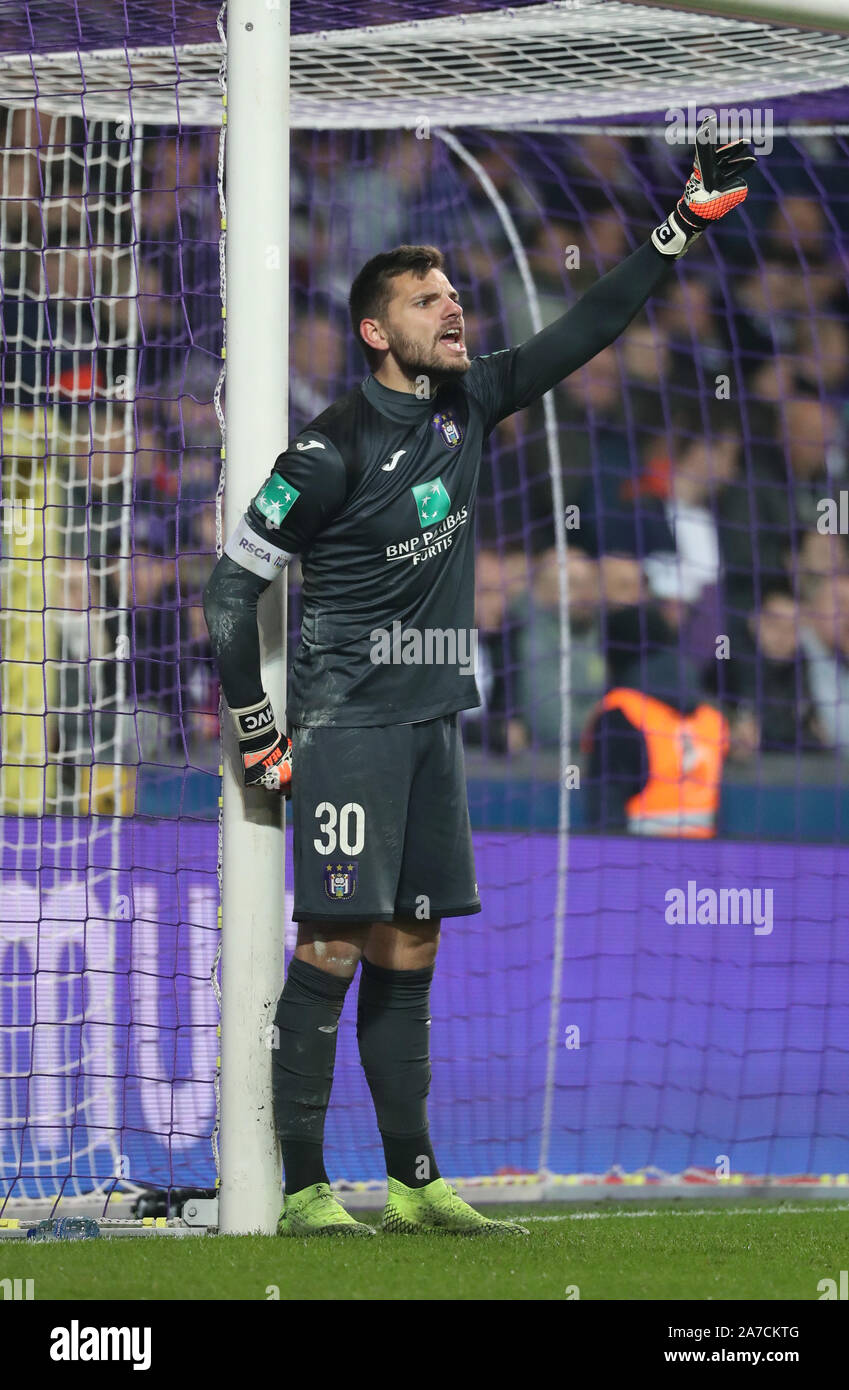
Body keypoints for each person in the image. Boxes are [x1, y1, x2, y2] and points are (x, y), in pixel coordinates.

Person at [203, 119, 758, 1237]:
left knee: (414, 946)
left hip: (432, 726)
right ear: (375, 330)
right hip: (350, 721)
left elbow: (594, 323)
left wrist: (679, 225)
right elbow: (227, 597)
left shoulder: (474, 400)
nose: (454, 306)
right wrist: (263, 733)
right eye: (426, 299)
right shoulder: (328, 450)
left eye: (454, 292)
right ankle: (304, 1187)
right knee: (330, 945)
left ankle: (413, 1179)